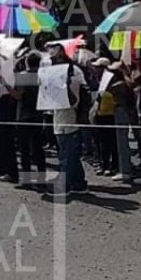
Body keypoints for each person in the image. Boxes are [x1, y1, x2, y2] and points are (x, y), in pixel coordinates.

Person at [49, 52, 89, 198]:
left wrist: (64, 86)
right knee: (71, 157)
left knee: (65, 157)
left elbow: (73, 102)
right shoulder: (57, 80)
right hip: (59, 122)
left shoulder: (72, 79)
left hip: (69, 122)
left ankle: (64, 187)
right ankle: (79, 184)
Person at [10, 52, 45, 188]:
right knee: (38, 148)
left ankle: (26, 180)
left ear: (27, 62)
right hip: (38, 114)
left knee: (24, 149)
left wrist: (7, 86)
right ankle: (41, 180)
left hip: (24, 115)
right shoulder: (42, 75)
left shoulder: (24, 76)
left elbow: (19, 95)